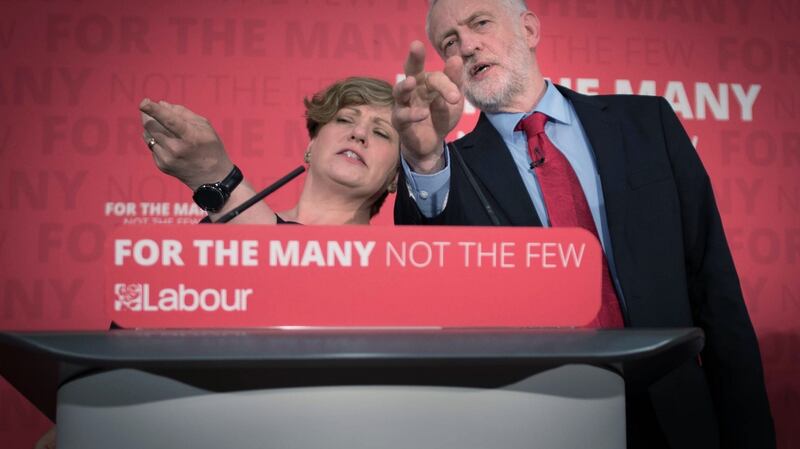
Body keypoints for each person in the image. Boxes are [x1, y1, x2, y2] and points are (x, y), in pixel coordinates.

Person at [391, 1, 775, 448]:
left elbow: (715, 291)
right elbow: (435, 279)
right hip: (539, 422)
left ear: (530, 29)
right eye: (449, 43)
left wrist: (750, 433)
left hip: (675, 412)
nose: (468, 47)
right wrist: (423, 156)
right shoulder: (450, 169)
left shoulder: (646, 123)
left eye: (480, 24)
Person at [140, 76, 400, 225]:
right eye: (344, 120)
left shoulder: (389, 264)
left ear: (396, 176)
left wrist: (214, 174)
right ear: (311, 144)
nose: (359, 133)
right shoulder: (219, 228)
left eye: (381, 132)